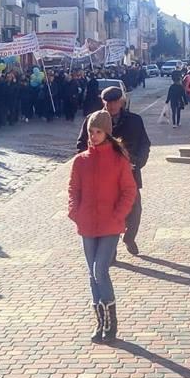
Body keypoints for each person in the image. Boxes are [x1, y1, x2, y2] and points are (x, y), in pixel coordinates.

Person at [70, 110, 138, 344]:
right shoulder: (81, 161)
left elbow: (129, 191)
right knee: (92, 274)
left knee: (100, 270)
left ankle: (111, 323)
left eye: (98, 131)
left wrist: (119, 215)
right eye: (91, 131)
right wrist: (74, 212)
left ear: (107, 133)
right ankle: (100, 322)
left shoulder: (119, 159)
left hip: (110, 225)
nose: (94, 135)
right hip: (87, 224)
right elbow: (73, 189)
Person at [76, 86, 151, 257]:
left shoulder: (134, 120)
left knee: (134, 211)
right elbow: (81, 145)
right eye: (108, 103)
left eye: (115, 102)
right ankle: (110, 251)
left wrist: (138, 162)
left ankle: (129, 238)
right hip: (103, 177)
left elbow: (144, 144)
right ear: (103, 102)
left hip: (129, 174)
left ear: (121, 101)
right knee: (109, 214)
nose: (112, 106)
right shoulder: (92, 120)